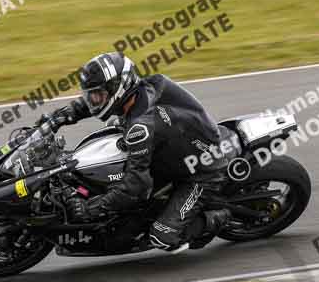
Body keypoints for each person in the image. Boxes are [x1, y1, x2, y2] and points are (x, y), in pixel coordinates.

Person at [37, 52, 233, 252]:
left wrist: (91, 209)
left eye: (98, 95)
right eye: (92, 95)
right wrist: (60, 117)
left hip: (204, 171)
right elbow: (94, 104)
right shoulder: (141, 89)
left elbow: (136, 187)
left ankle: (219, 218)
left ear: (118, 89)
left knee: (163, 236)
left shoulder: (140, 127)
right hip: (178, 147)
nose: (93, 101)